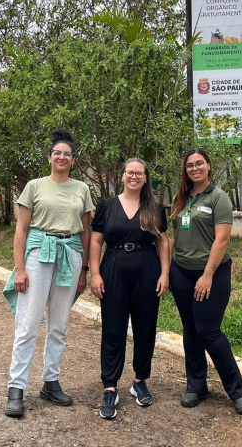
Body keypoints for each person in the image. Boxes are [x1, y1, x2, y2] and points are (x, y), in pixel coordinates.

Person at [2, 129, 95, 417]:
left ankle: (50, 382)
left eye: (67, 154)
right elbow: (21, 229)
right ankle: (16, 388)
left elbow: (87, 230)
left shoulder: (82, 189)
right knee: (28, 323)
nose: (62, 157)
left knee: (59, 325)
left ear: (73, 159)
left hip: (71, 255)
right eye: (58, 153)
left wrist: (85, 271)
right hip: (39, 254)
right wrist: (19, 268)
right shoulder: (34, 186)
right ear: (50, 157)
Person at [169, 148, 242, 415]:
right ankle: (196, 386)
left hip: (212, 273)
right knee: (190, 329)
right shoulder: (180, 197)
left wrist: (207, 275)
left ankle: (237, 391)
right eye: (190, 165)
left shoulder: (219, 198)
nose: (194, 168)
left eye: (199, 164)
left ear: (208, 166)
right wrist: (169, 269)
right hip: (181, 271)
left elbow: (223, 239)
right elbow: (174, 237)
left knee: (209, 331)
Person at [88, 158, 170, 420]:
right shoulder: (107, 207)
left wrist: (165, 274)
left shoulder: (154, 208)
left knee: (146, 327)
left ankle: (140, 381)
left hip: (148, 269)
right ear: (122, 176)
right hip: (113, 269)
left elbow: (163, 242)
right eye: (129, 172)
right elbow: (96, 241)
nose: (134, 177)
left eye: (139, 173)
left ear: (145, 178)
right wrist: (95, 274)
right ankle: (110, 387)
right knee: (113, 329)